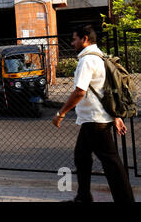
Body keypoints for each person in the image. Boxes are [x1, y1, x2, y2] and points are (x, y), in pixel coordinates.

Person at [52, 25, 134, 202]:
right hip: (93, 118)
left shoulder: (87, 60)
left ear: (85, 39)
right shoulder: (99, 56)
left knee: (112, 163)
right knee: (81, 156)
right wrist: (115, 116)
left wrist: (61, 113)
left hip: (95, 120)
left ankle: (125, 200)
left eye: (75, 39)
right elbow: (105, 90)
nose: (72, 43)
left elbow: (79, 92)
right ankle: (83, 197)